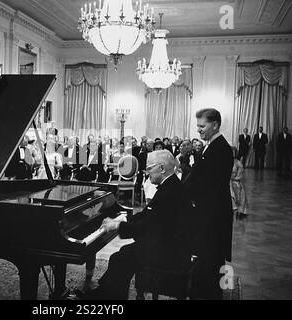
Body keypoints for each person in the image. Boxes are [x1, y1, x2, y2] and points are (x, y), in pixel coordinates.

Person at [80, 150, 192, 300]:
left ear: (162, 168)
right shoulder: (171, 185)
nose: (146, 172)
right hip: (168, 244)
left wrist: (118, 226)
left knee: (120, 258)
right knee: (121, 255)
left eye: (149, 168)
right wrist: (121, 220)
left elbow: (150, 227)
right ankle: (104, 294)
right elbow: (148, 215)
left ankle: (107, 298)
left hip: (169, 251)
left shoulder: (170, 192)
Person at [183, 108, 233, 300]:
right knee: (208, 259)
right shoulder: (211, 145)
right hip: (210, 212)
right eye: (198, 126)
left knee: (212, 259)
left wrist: (185, 197)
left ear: (215, 125)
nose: (199, 130)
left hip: (213, 215)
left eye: (202, 126)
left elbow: (207, 184)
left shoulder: (220, 148)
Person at [230, 147, 248, 219]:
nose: (232, 154)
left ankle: (238, 211)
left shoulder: (238, 163)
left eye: (233, 152)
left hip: (235, 182)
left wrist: (232, 179)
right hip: (227, 182)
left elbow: (239, 175)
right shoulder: (224, 161)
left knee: (237, 191)